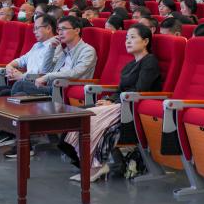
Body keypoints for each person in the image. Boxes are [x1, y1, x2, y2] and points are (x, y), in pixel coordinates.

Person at [60, 24, 163, 183]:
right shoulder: (129, 65)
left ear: (145, 41)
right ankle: (88, 163)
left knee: (89, 118)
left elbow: (140, 90)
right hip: (120, 104)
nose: (128, 41)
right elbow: (120, 89)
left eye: (133, 37)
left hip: (133, 109)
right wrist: (109, 100)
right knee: (77, 114)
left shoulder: (150, 61)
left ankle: (96, 166)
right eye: (126, 38)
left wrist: (114, 101)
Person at [10, 15, 97, 96]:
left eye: (64, 29)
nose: (60, 33)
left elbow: (75, 73)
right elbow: (46, 70)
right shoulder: (65, 52)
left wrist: (47, 77)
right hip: (52, 87)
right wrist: (51, 48)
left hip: (64, 88)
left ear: (77, 31)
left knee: (20, 85)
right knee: (16, 94)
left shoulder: (87, 50)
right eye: (59, 30)